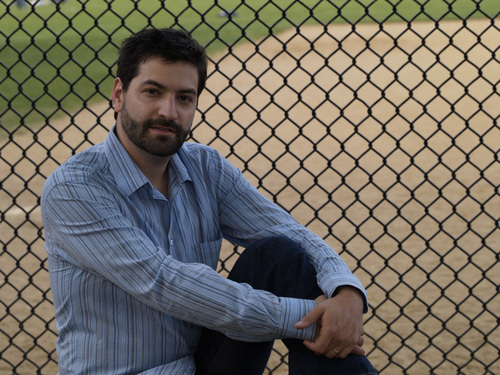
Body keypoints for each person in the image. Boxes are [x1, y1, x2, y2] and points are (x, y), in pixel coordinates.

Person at [41, 28, 377, 375]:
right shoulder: (75, 188)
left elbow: (287, 230)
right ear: (119, 94)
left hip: (201, 364)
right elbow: (164, 283)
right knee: (312, 308)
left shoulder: (205, 167)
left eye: (184, 98)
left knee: (279, 254)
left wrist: (346, 292)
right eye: (152, 92)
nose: (168, 111)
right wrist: (310, 317)